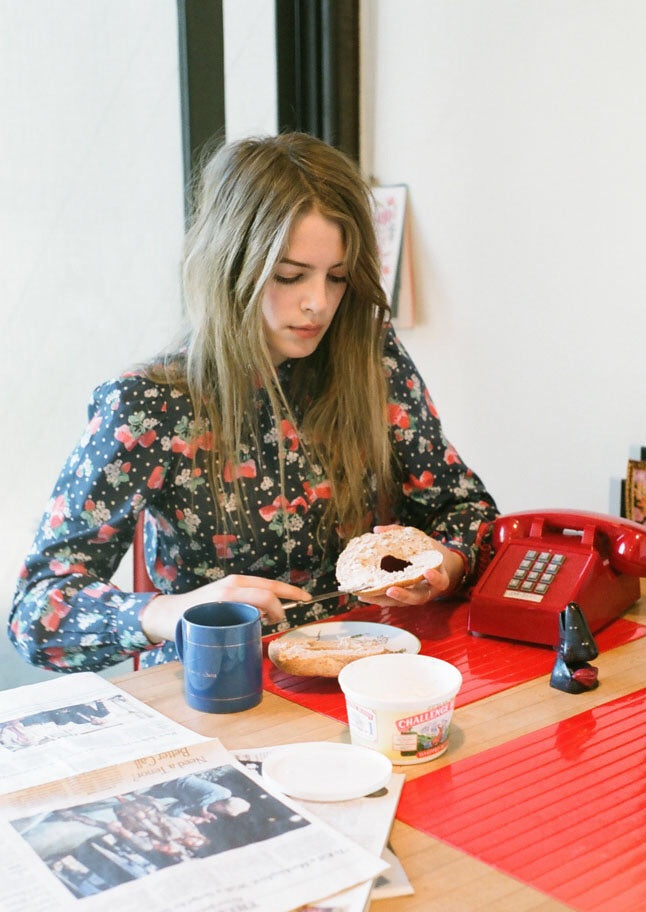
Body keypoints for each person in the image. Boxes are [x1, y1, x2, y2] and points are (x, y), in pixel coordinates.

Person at [7, 132, 498, 673]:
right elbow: (37, 614)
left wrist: (440, 569)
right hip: (216, 687)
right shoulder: (150, 403)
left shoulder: (372, 359)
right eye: (289, 276)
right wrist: (178, 611)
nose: (317, 303)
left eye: (336, 278)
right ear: (230, 267)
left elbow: (467, 511)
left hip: (367, 673)